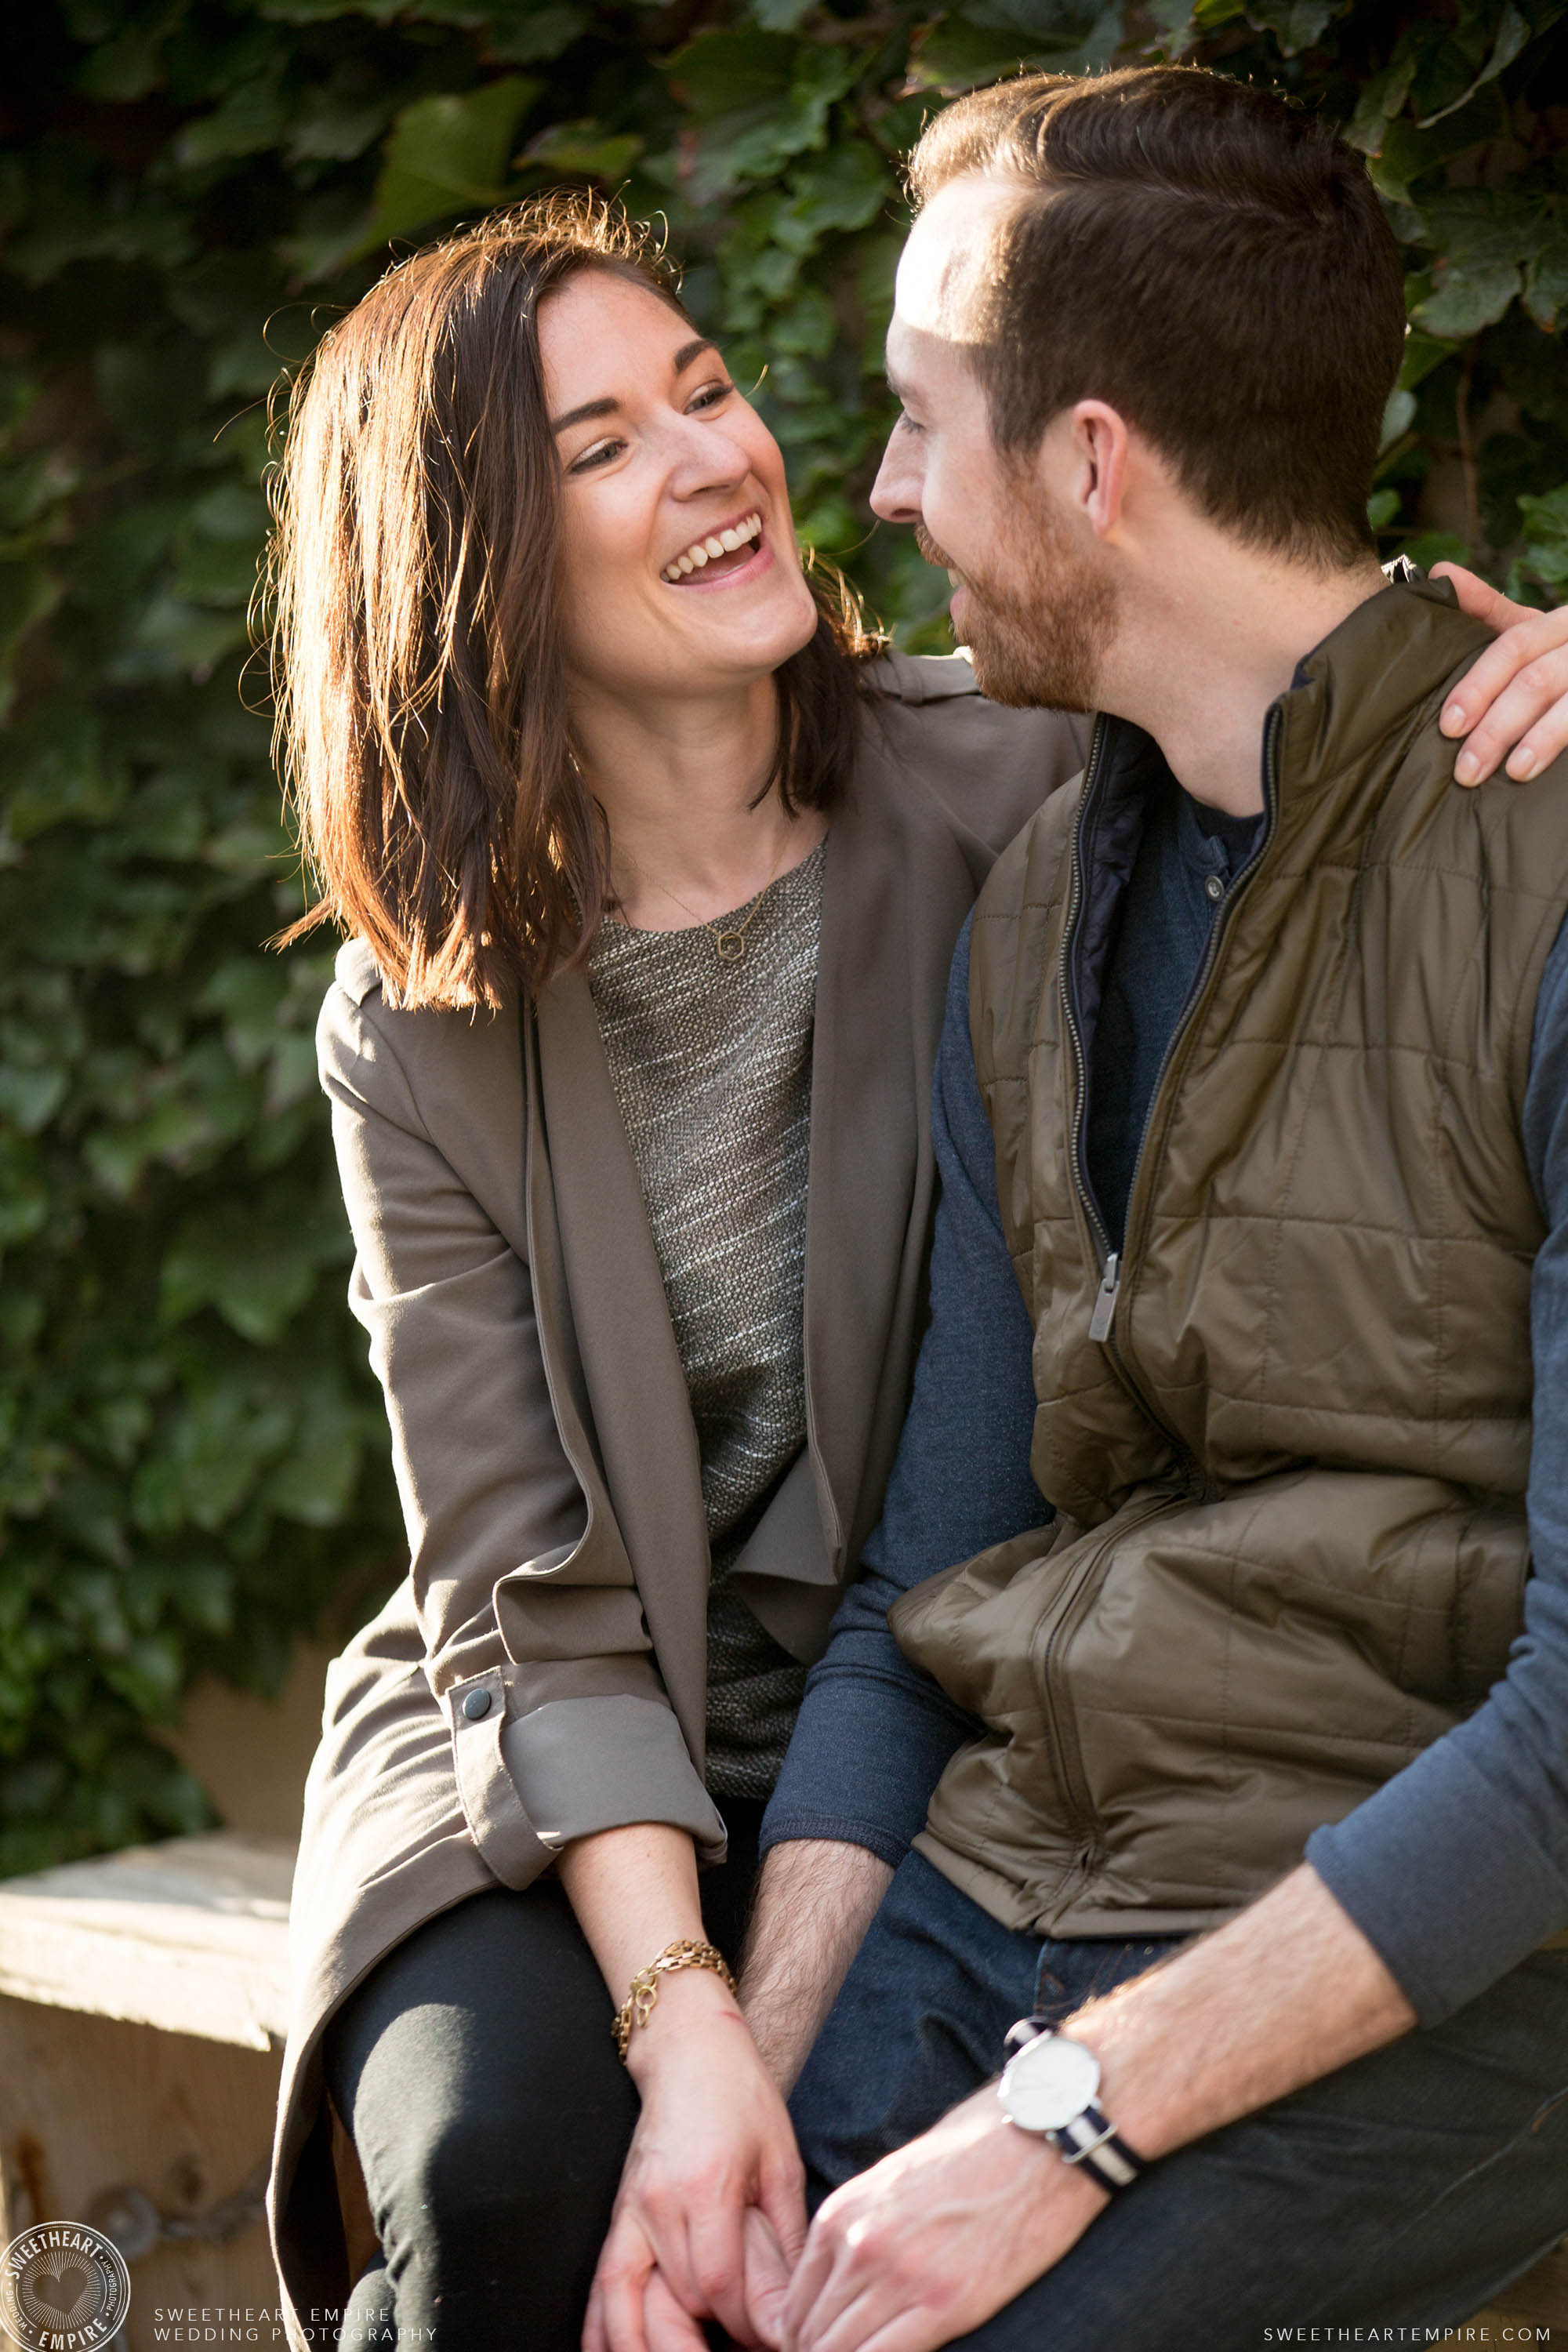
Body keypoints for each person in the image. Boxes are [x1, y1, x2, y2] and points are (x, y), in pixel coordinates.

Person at [258, 183, 1566, 2352]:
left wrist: (1526, 647)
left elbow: (1300, 676)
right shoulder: (419, 1024)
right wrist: (692, 2032)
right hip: (577, 1738)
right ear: (468, 561)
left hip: (930, 1711)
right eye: (599, 446)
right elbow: (529, 1596)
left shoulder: (1032, 784)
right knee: (512, 2203)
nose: (724, 456)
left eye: (706, 387)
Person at [727, 65, 1568, 2352]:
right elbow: (932, 1577)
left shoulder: (1547, 864)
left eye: (920, 423)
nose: (881, 492)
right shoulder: (1035, 904)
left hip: (1438, 1945)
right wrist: (743, 2092)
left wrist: (1069, 2120)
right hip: (1011, 1881)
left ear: (1094, 463)